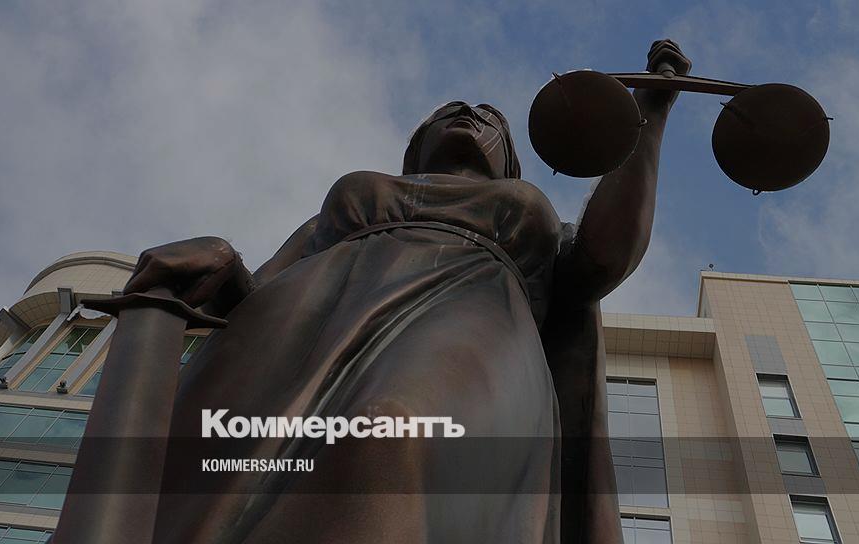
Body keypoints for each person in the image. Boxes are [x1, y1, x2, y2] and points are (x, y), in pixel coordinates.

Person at [125, 39, 691, 544]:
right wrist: (222, 263)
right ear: (416, 146)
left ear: (509, 162)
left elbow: (604, 256)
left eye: (488, 119)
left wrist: (650, 113)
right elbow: (260, 289)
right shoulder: (355, 204)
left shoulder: (532, 218)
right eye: (449, 113)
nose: (468, 114)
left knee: (391, 429)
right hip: (305, 328)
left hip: (471, 312)